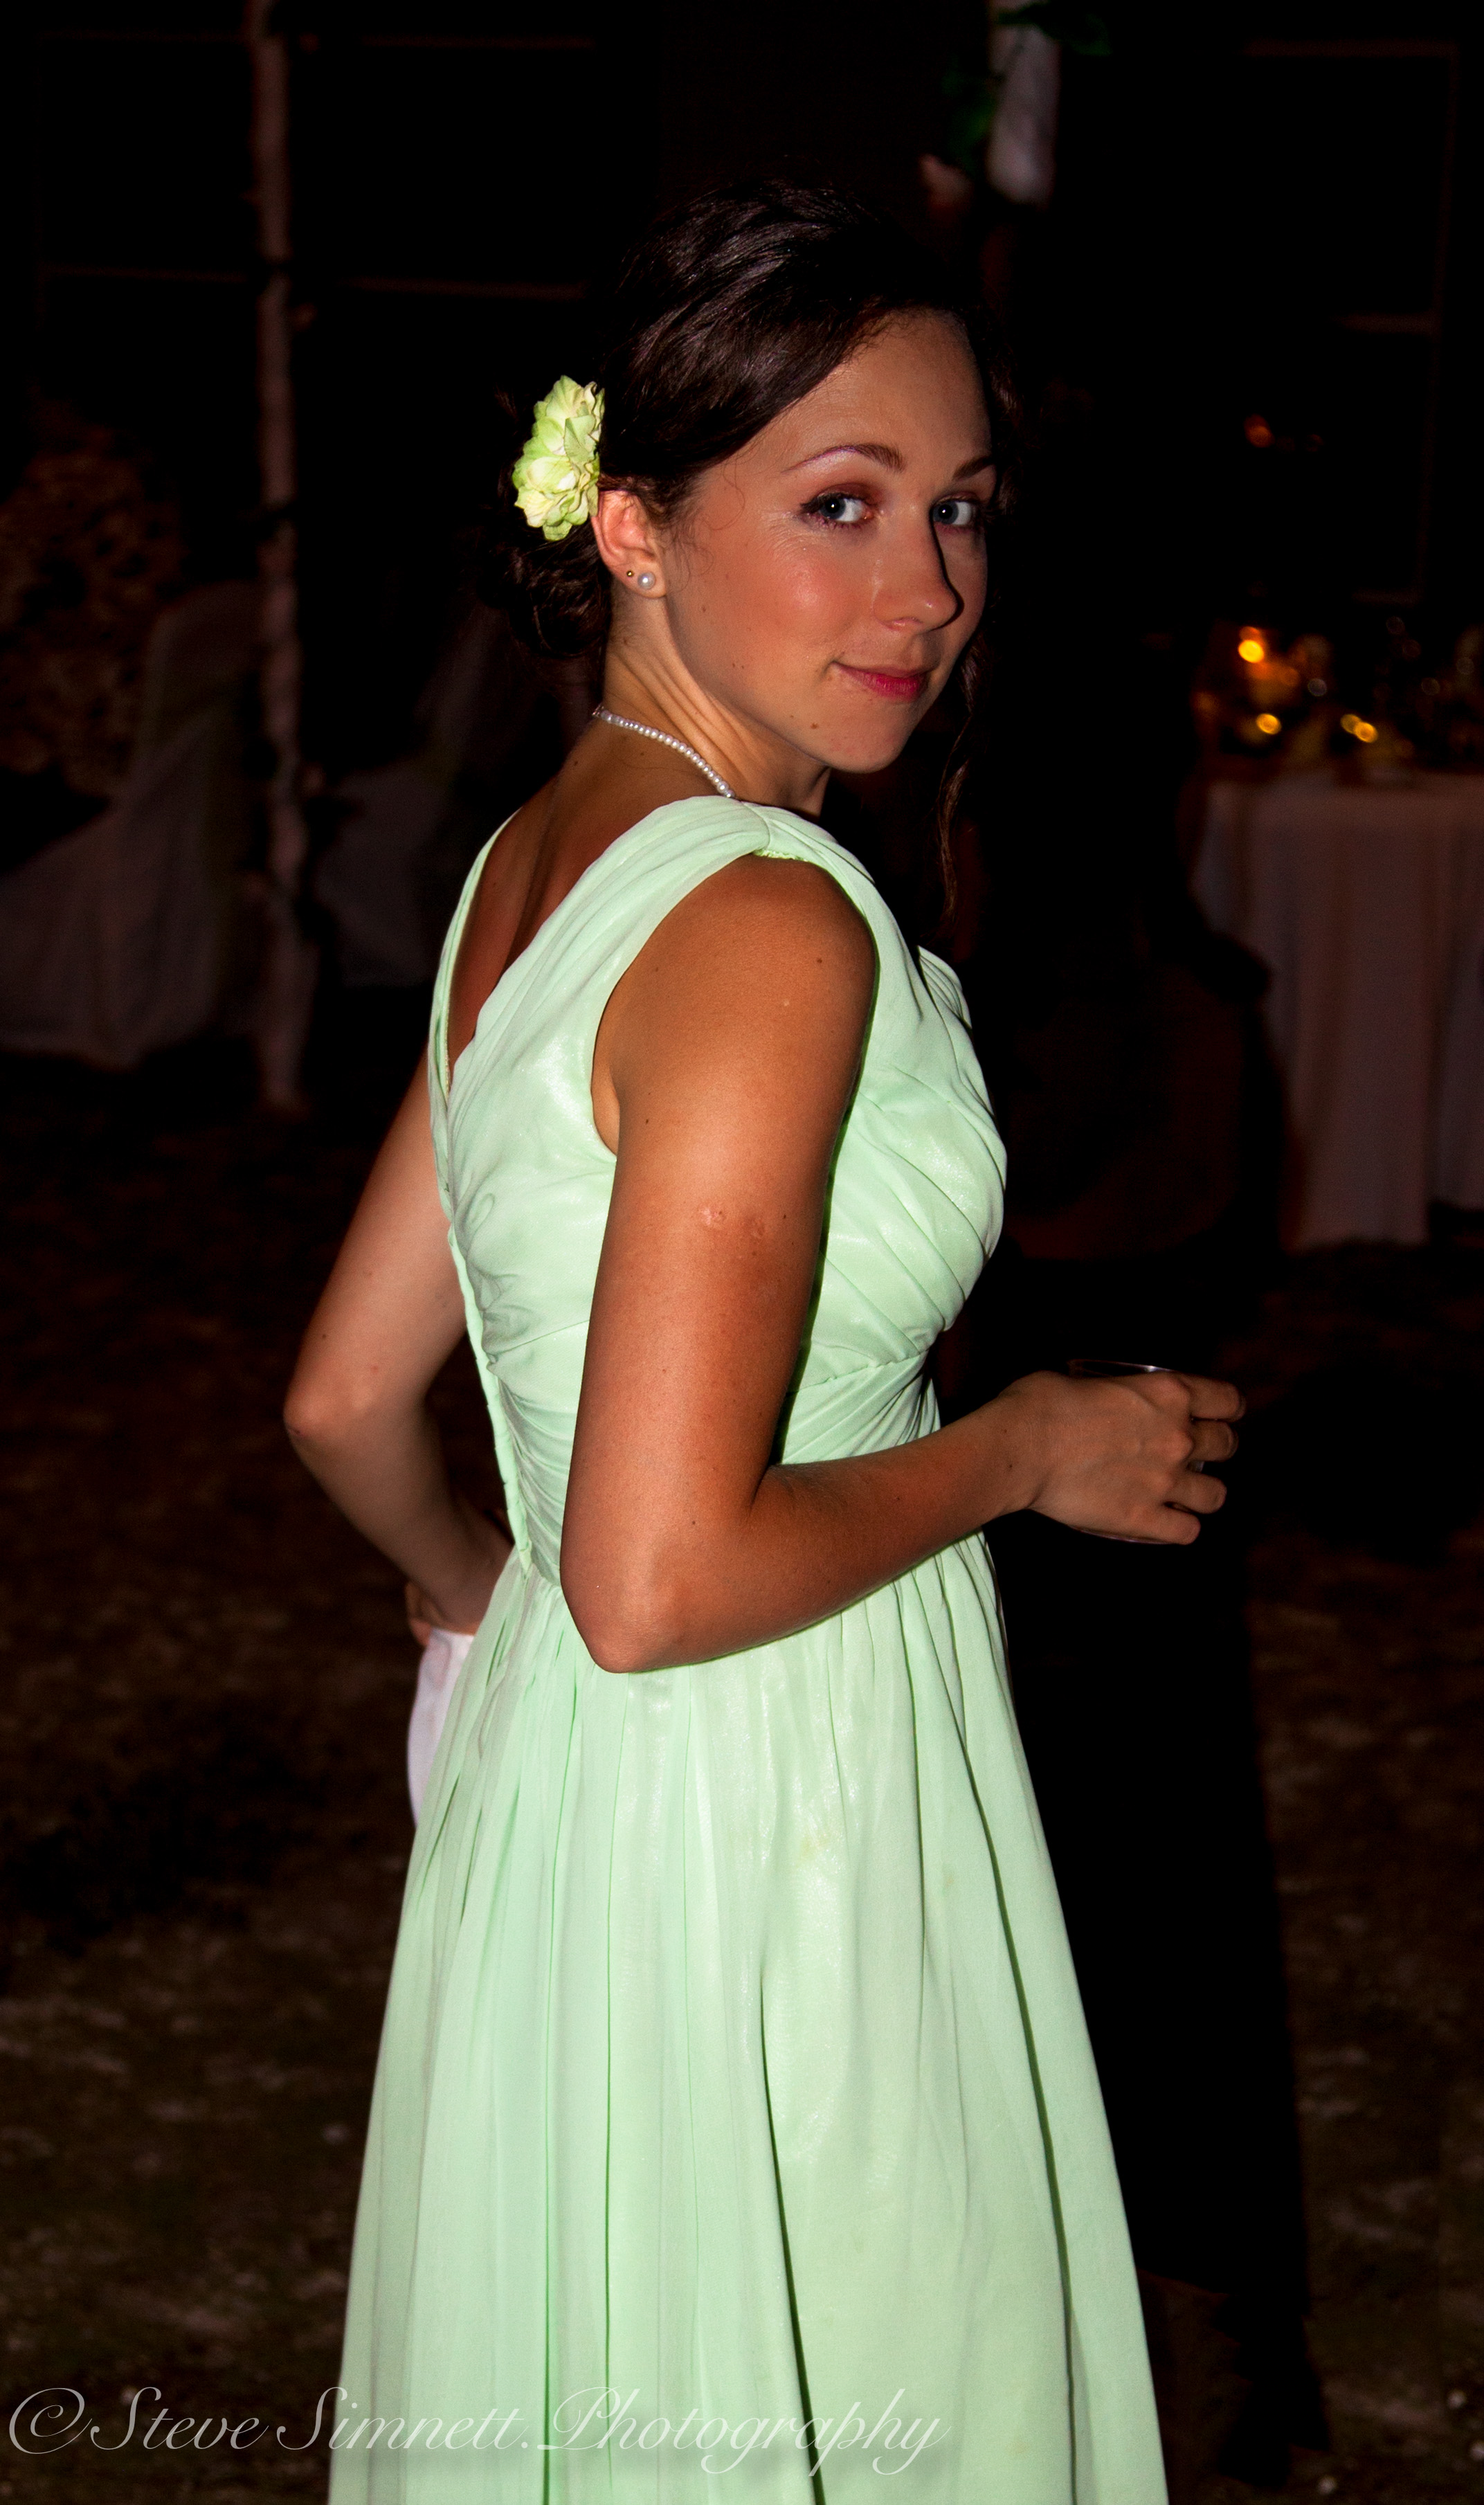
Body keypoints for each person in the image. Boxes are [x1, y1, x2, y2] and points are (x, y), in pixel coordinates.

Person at [284, 180, 1242, 2502]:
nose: (928, 589)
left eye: (961, 509)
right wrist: (1028, 1445)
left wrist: (472, 1596)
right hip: (767, 1791)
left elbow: (344, 1396)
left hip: (574, 1792)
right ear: (632, 524)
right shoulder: (765, 924)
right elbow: (663, 1573)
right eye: (841, 504)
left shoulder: (535, 866)